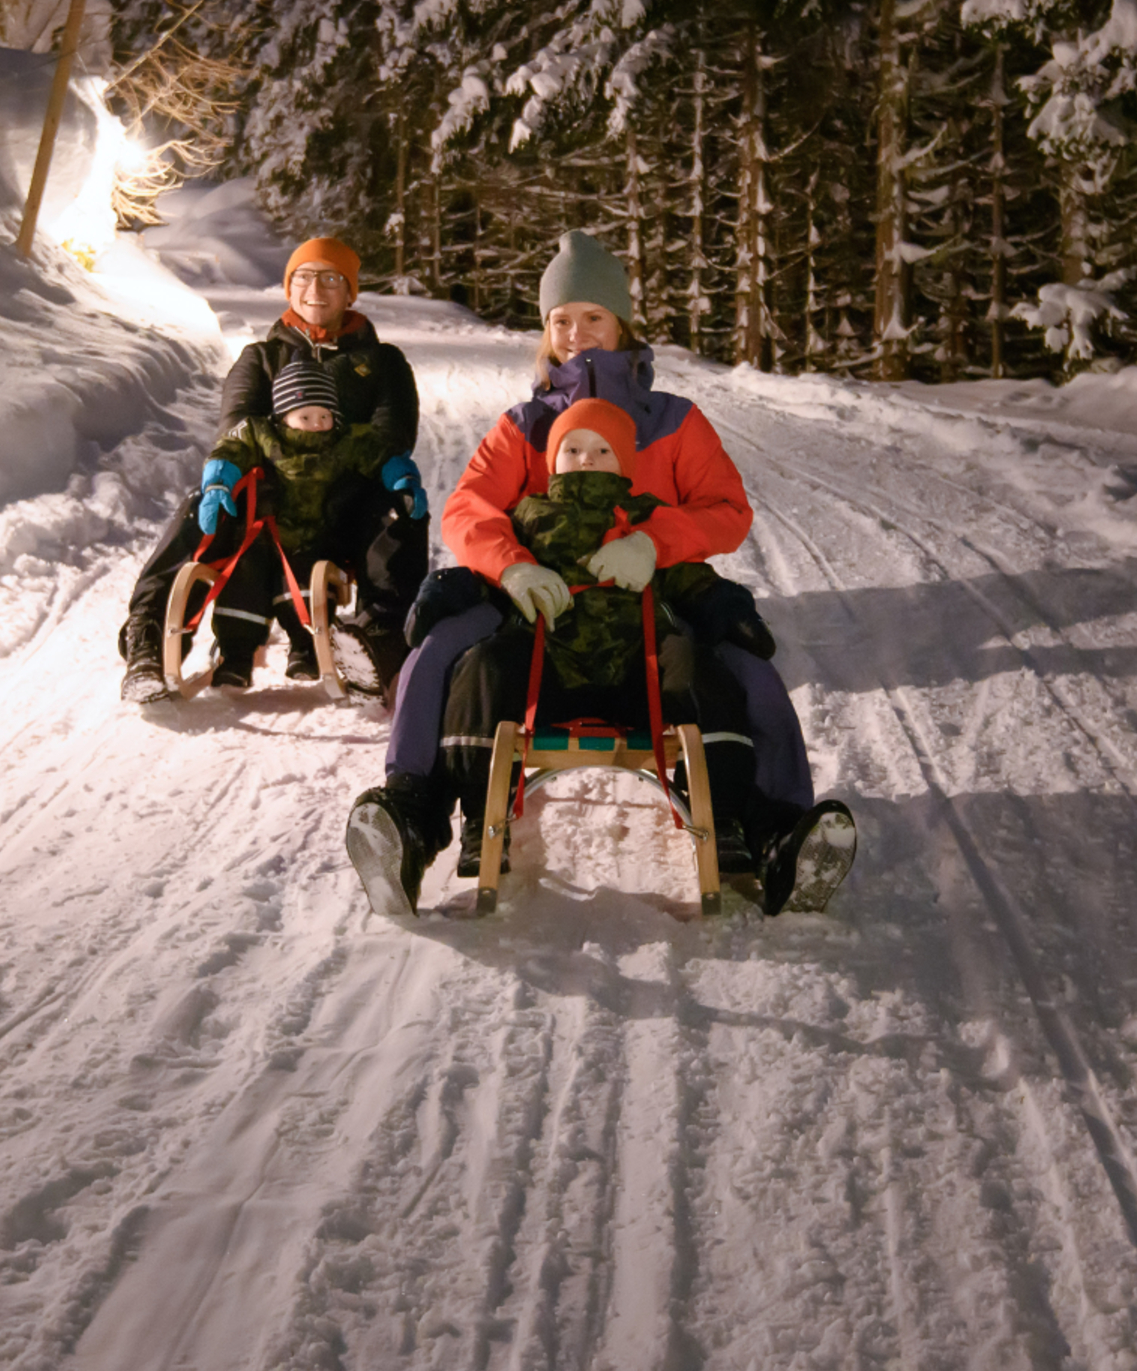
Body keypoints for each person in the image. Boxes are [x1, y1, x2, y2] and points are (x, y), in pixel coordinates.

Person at [345, 227, 853, 913]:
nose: (577, 334)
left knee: (745, 670)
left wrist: (656, 542)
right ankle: (413, 816)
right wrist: (515, 566)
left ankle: (775, 832)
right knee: (438, 650)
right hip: (537, 607)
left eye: (593, 317)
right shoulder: (524, 424)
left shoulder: (672, 422)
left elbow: (727, 509)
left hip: (649, 606)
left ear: (621, 323)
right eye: (562, 321)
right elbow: (469, 508)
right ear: (546, 332)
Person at [119, 236, 428, 701]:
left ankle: (377, 646)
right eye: (304, 277)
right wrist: (223, 476)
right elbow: (237, 425)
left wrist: (386, 474)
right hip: (267, 504)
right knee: (196, 510)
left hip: (349, 504)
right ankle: (149, 642)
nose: (315, 289)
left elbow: (391, 435)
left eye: (331, 278)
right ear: (288, 288)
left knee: (399, 511)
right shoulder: (261, 358)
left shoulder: (383, 362)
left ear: (350, 292)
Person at [192, 361, 393, 688]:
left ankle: (307, 648)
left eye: (324, 416)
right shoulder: (258, 432)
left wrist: (401, 477)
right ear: (283, 416)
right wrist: (218, 484)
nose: (316, 425)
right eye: (306, 417)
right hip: (262, 536)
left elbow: (379, 453)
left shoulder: (344, 441)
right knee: (243, 581)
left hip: (316, 539)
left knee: (305, 583)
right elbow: (229, 451)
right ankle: (236, 656)